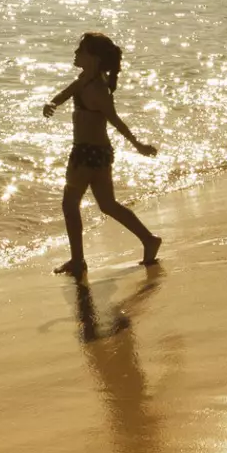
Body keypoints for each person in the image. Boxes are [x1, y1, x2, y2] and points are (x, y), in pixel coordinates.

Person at [42, 33, 160, 276]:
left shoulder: (96, 89)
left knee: (70, 204)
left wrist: (138, 145)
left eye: (80, 50)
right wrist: (51, 104)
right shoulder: (86, 79)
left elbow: (115, 120)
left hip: (86, 154)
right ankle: (149, 239)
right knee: (107, 204)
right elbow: (64, 94)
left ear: (93, 58)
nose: (75, 53)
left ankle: (78, 260)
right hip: (100, 153)